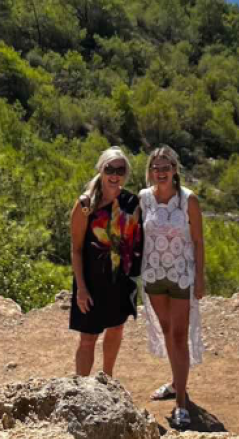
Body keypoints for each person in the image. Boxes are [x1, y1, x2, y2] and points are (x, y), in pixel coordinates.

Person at [139, 145, 205, 429]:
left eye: (165, 167)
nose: (160, 172)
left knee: (179, 336)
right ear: (150, 172)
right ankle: (177, 382)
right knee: (167, 331)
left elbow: (199, 241)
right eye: (156, 168)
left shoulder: (188, 200)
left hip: (181, 275)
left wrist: (200, 277)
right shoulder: (144, 199)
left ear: (175, 169)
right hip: (153, 275)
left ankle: (180, 404)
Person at [70, 146, 144, 378]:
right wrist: (81, 288)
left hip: (121, 280)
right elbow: (76, 249)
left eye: (120, 170)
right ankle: (80, 389)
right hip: (91, 282)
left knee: (116, 328)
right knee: (87, 338)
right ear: (100, 170)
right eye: (109, 168)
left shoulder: (132, 202)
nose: (114, 174)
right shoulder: (85, 205)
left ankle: (107, 380)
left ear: (126, 174)